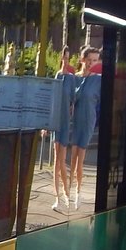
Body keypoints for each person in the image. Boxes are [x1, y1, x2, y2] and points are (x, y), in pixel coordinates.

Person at [70, 45, 102, 209]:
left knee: (80, 158)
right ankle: (66, 190)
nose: (91, 63)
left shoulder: (98, 80)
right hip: (73, 121)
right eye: (89, 60)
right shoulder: (74, 79)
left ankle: (78, 191)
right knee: (71, 156)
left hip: (88, 119)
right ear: (82, 60)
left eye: (95, 60)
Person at [51, 45, 77, 211]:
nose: (66, 61)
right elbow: (53, 100)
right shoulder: (57, 76)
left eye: (68, 58)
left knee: (62, 159)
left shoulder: (72, 78)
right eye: (64, 58)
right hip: (56, 121)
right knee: (56, 160)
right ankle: (57, 198)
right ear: (61, 58)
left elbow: (72, 102)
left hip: (66, 121)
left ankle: (67, 193)